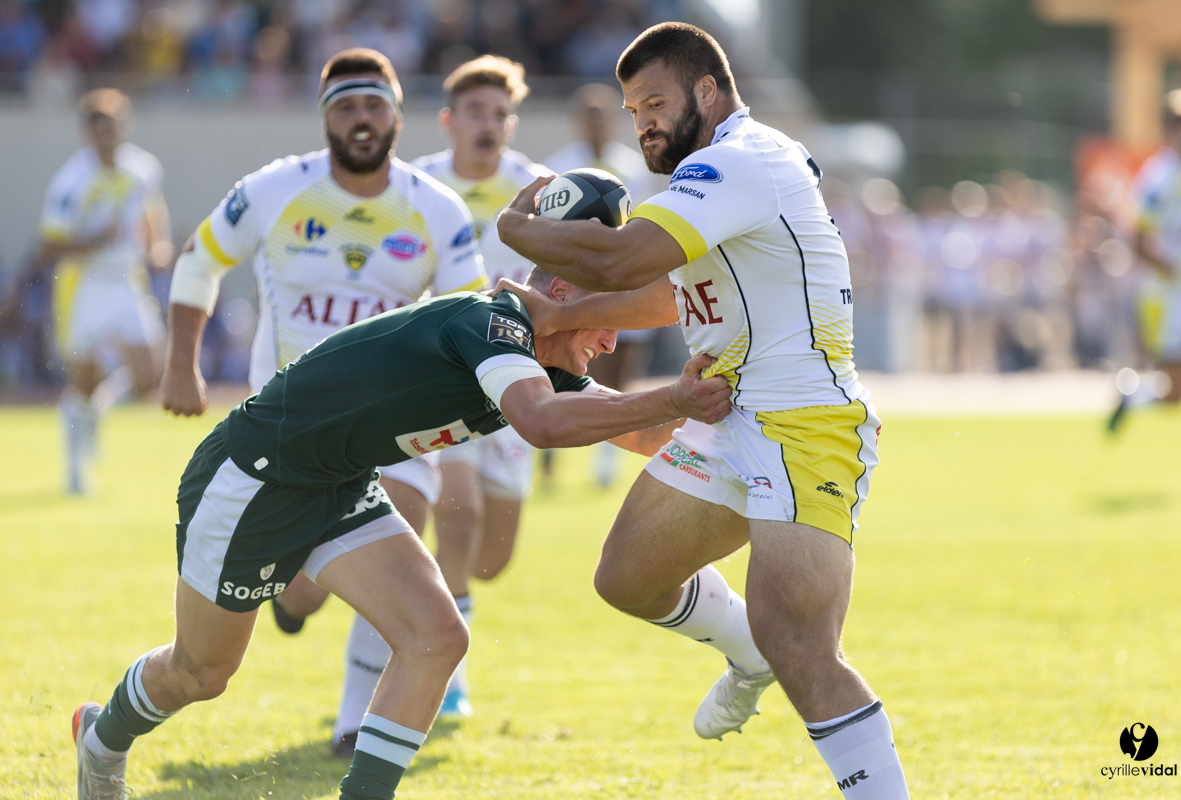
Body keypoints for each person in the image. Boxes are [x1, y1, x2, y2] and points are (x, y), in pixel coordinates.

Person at [71, 272, 734, 800]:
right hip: (256, 480)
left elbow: (637, 430)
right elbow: (542, 423)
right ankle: (101, 740)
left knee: (437, 636)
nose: (614, 343)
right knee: (202, 671)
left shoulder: (542, 362)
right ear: (560, 294)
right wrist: (676, 399)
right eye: (610, 323)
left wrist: (741, 407)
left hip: (336, 482)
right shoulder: (492, 320)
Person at [497, 23, 909, 798]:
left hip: (803, 422)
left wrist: (516, 229)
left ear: (709, 93)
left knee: (804, 647)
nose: (643, 120)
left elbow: (624, 258)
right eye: (632, 109)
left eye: (656, 101)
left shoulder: (740, 162)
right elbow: (672, 289)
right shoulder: (715, 173)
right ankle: (745, 651)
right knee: (626, 580)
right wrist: (560, 318)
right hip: (726, 415)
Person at [158, 47, 487, 752]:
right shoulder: (276, 190)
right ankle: (293, 597)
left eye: (373, 105)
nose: (361, 119)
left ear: (397, 114)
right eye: (345, 107)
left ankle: (353, 724)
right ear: (325, 119)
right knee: (302, 592)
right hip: (289, 428)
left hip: (392, 422)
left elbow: (471, 318)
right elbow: (199, 257)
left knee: (412, 526)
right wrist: (181, 366)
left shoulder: (436, 208)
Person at [375, 54, 547, 723]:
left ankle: (443, 619)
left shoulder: (539, 189)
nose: (490, 123)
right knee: (462, 513)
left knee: (491, 557)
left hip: (525, 382)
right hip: (448, 378)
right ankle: (448, 675)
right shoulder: (418, 188)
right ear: (449, 121)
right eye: (476, 111)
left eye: (500, 113)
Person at [38, 88, 173, 494]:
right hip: (85, 285)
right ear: (87, 133)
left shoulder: (142, 168)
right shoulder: (72, 181)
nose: (108, 138)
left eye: (113, 128)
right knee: (84, 379)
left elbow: (150, 208)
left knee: (149, 376)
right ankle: (76, 466)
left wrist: (157, 245)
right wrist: (95, 238)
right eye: (100, 131)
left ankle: (94, 413)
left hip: (127, 279)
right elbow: (49, 246)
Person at [544, 82, 661, 487]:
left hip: (621, 286)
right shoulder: (560, 168)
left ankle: (607, 465)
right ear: (578, 122)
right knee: (554, 368)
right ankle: (546, 462)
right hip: (571, 288)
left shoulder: (634, 168)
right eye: (589, 117)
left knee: (619, 370)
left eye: (605, 116)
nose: (597, 125)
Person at [1108, 87, 1181, 432]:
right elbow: (1139, 240)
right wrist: (1180, 272)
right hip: (1169, 296)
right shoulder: (1158, 178)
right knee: (1175, 397)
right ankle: (1133, 398)